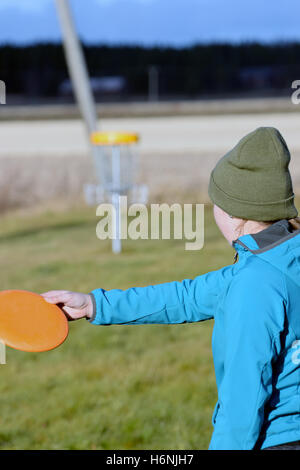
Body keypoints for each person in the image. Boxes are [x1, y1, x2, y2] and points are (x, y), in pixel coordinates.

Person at [42, 127, 300, 450]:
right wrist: (94, 304)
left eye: (215, 202)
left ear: (235, 212)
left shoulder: (254, 286)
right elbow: (184, 297)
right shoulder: (281, 257)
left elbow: (242, 409)